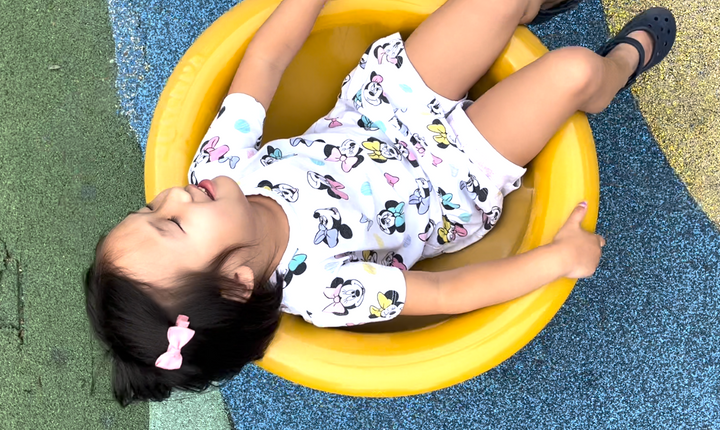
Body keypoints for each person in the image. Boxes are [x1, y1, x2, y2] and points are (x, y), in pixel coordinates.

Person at [85, 0, 676, 404]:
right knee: (573, 69)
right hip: (452, 183)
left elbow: (266, 59)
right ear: (238, 283)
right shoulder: (323, 291)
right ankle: (617, 69)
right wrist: (559, 260)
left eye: (149, 209)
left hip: (387, 105)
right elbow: (447, 292)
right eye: (172, 225)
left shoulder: (216, 170)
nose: (171, 196)